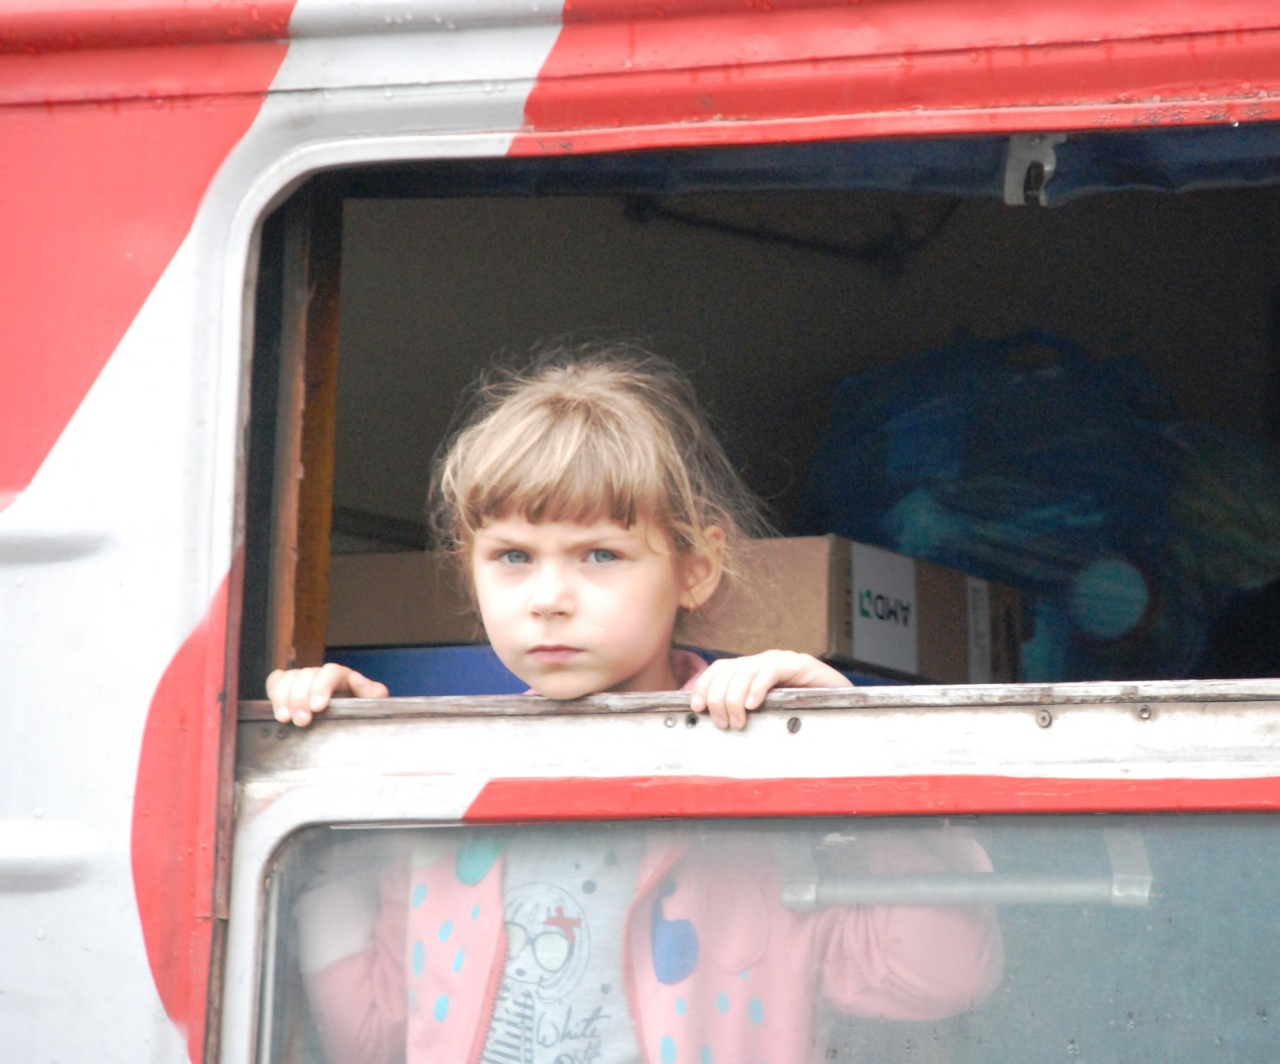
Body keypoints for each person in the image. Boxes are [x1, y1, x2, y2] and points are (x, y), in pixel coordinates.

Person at [268, 344, 1004, 1064]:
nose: (548, 598)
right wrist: (334, 772)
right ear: (471, 568)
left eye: (601, 555)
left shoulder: (760, 773)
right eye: (513, 556)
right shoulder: (447, 786)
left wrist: (850, 752)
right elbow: (370, 1040)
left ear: (696, 568)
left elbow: (939, 976)